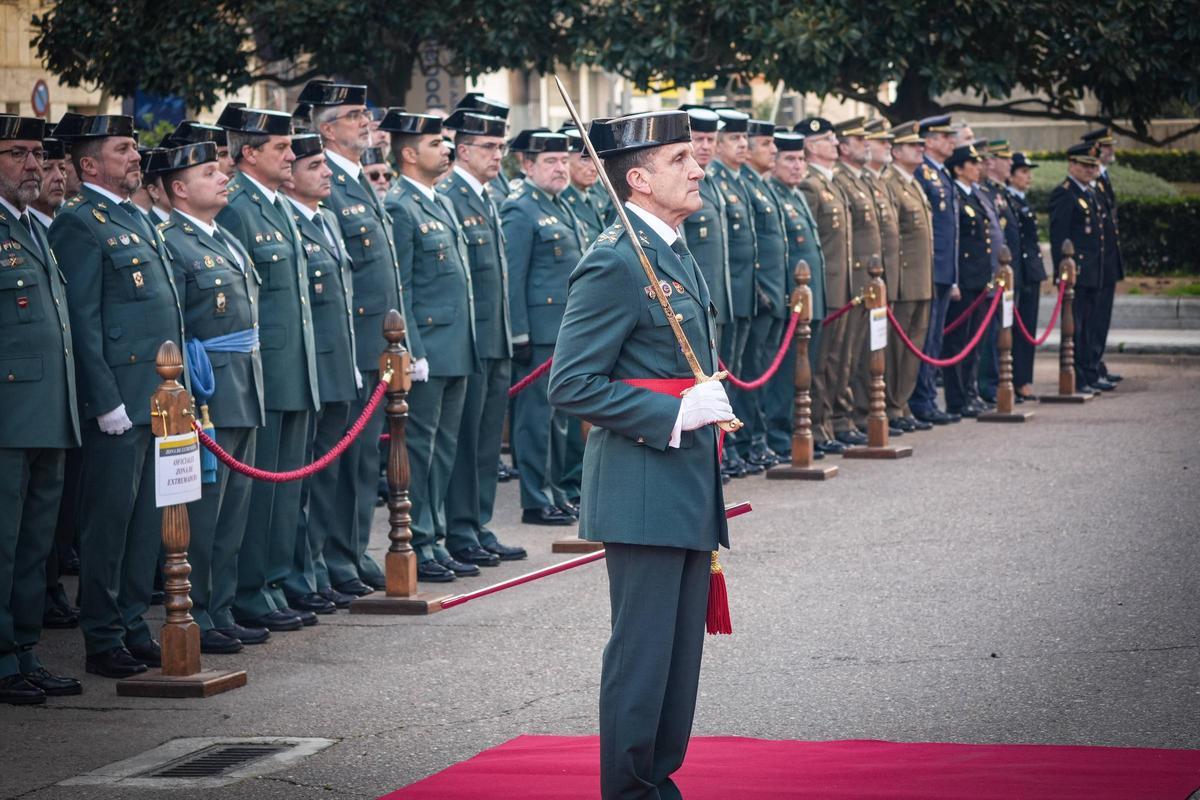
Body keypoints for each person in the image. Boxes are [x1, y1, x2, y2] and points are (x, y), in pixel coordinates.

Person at [548, 109, 731, 800]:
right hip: (643, 481)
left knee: (679, 656)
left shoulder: (673, 249)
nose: (697, 166)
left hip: (684, 478)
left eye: (694, 156)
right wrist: (674, 410)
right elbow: (570, 382)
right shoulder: (616, 259)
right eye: (681, 158)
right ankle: (627, 790)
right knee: (644, 653)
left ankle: (657, 780)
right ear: (639, 177)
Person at [49, 113, 186, 677]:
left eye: (135, 147)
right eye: (123, 148)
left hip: (158, 399)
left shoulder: (137, 219)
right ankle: (102, 635)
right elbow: (80, 323)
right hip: (120, 406)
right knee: (108, 523)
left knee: (146, 524)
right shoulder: (80, 224)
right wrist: (106, 402)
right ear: (89, 164)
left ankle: (132, 623)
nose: (136, 156)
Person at [158, 141, 268, 652]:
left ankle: (220, 607)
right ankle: (196, 611)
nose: (223, 176)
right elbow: (174, 328)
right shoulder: (171, 242)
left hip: (243, 380)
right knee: (205, 511)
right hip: (207, 389)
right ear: (179, 188)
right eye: (209, 172)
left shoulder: (222, 236)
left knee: (234, 511)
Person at [215, 105, 321, 632]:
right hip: (264, 369)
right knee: (260, 492)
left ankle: (275, 581)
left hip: (295, 366)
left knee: (285, 489)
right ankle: (249, 589)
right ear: (249, 153)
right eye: (281, 148)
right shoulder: (237, 207)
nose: (291, 155)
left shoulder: (276, 204)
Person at [303, 79, 406, 599]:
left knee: (363, 460)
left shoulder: (360, 180)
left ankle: (350, 551)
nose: (366, 121)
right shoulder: (327, 185)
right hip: (348, 342)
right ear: (326, 129)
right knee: (334, 460)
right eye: (353, 114)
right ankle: (325, 559)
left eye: (366, 112)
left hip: (375, 344)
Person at [0, 114, 82, 703]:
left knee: (34, 545)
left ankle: (25, 649)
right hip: (8, 416)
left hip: (48, 413)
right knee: (3, 545)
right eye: (17, 153)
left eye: (37, 154)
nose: (32, 165)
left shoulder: (33, 226)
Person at [383, 110, 481, 582]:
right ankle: (417, 538)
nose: (445, 149)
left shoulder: (435, 200)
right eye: (434, 142)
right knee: (420, 448)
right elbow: (400, 286)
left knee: (443, 447)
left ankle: (435, 535)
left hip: (456, 344)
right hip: (428, 349)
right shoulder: (400, 205)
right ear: (408, 153)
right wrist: (413, 350)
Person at [439, 109, 527, 566]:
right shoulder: (450, 194)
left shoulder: (488, 195)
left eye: (501, 147)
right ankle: (458, 528)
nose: (499, 155)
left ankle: (478, 522)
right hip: (467, 339)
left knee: (488, 439)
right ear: (465, 150)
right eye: (490, 148)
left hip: (495, 337)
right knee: (465, 439)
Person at [280, 133, 360, 613]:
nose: (327, 172)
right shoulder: (289, 220)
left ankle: (318, 567)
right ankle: (297, 574)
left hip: (335, 364)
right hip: (307, 365)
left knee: (326, 476)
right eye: (315, 166)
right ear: (291, 175)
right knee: (299, 480)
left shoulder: (326, 220)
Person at [502, 130, 586, 525]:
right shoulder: (521, 209)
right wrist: (518, 333)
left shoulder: (558, 205)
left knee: (559, 419)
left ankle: (555, 492)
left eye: (563, 161)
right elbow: (513, 279)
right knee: (536, 420)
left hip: (564, 331)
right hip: (538, 334)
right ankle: (536, 499)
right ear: (527, 165)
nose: (560, 168)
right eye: (550, 161)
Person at [766, 130, 828, 460]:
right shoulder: (773, 194)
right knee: (785, 373)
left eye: (802, 159)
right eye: (790, 159)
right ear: (774, 162)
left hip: (810, 299)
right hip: (792, 300)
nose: (797, 166)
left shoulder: (796, 195)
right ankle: (779, 435)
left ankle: (797, 428)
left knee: (805, 371)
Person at [708, 108, 760, 477]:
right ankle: (718, 454)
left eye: (711, 139)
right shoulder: (703, 180)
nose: (704, 147)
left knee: (735, 375)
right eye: (699, 139)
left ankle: (733, 448)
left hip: (732, 296)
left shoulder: (718, 181)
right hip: (707, 302)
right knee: (712, 382)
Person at [797, 117, 852, 455]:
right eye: (829, 139)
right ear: (812, 146)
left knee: (839, 361)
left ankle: (830, 422)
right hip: (823, 288)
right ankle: (817, 426)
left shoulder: (831, 183)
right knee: (821, 363)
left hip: (842, 288)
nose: (836, 144)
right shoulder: (810, 186)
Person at [736, 119, 789, 467]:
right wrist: (757, 289)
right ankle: (744, 443)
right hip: (752, 296)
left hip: (772, 293)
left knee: (762, 371)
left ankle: (757, 439)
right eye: (767, 143)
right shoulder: (742, 183)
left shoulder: (758, 184)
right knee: (747, 372)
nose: (774, 150)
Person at [882, 121, 934, 431]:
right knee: (896, 349)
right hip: (901, 281)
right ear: (897, 151)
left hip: (921, 280)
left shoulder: (913, 182)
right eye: (914, 145)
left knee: (913, 348)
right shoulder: (891, 182)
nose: (921, 149)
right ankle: (891, 405)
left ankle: (901, 404)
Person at [831, 116, 879, 446]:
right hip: (839, 287)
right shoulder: (838, 180)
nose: (868, 145)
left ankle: (844, 417)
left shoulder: (854, 180)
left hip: (860, 283)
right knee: (834, 358)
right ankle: (831, 420)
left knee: (851, 357)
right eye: (859, 140)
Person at [910, 115, 961, 425]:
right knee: (924, 339)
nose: (950, 141)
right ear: (928, 140)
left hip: (943, 270)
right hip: (928, 270)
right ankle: (921, 399)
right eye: (944, 136)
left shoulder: (940, 174)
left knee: (934, 341)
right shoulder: (923, 174)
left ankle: (927, 397)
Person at [860, 118, 907, 436]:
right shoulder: (850, 180)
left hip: (880, 281)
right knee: (842, 356)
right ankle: (843, 416)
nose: (871, 145)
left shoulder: (873, 181)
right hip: (852, 286)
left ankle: (893, 405)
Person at [1050, 142, 1107, 394]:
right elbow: (1059, 237)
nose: (1089, 170)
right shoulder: (1065, 193)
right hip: (1076, 274)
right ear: (1071, 164)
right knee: (1076, 328)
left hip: (1092, 273)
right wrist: (1061, 273)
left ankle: (1088, 373)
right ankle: (1077, 377)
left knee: (1089, 327)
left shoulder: (1088, 193)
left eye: (1092, 165)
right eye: (1084, 165)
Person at [942, 143, 992, 417]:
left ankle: (970, 392)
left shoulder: (974, 196)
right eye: (972, 164)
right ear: (958, 168)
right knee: (958, 342)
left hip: (979, 280)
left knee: (975, 342)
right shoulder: (955, 196)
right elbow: (956, 241)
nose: (978, 168)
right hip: (963, 280)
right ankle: (957, 398)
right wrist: (955, 281)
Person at [1081, 127, 1122, 389]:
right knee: (1091, 321)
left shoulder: (1101, 179)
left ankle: (1096, 363)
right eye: (1104, 147)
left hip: (1105, 264)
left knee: (1100, 320)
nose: (1110, 151)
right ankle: (1090, 367)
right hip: (1094, 266)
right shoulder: (1091, 183)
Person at [1006, 152, 1047, 400]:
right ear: (1011, 176)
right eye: (1022, 172)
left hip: (1030, 271)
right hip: (1018, 272)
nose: (1027, 176)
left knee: (1027, 330)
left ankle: (1024, 379)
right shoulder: (1008, 199)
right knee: (1014, 331)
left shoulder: (1022, 200)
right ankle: (1015, 380)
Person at [559, 124, 606, 243]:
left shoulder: (592, 198)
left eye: (595, 159)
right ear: (566, 162)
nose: (594, 168)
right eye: (585, 160)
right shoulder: (561, 200)